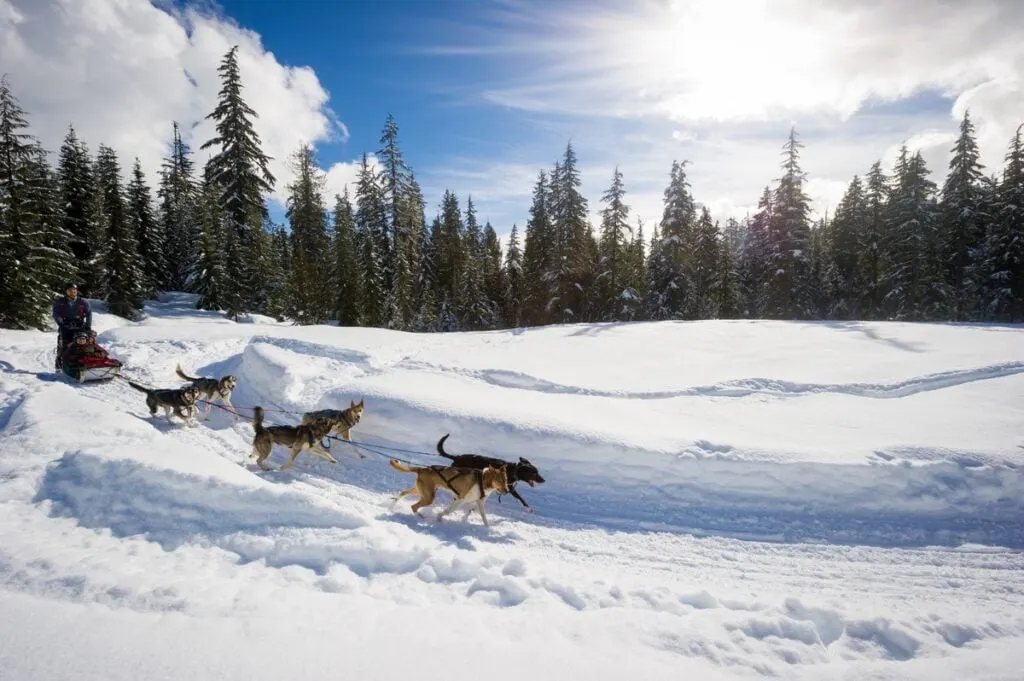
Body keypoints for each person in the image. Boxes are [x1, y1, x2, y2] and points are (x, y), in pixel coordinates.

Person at [53, 283, 92, 369]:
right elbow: (56, 314)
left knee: (85, 341)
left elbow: (89, 314)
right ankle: (60, 363)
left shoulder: (83, 302)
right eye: (70, 291)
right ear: (66, 292)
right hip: (65, 325)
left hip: (80, 325)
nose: (72, 292)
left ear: (76, 291)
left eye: (74, 291)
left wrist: (88, 327)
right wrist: (62, 325)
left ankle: (87, 360)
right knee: (64, 344)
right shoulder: (60, 302)